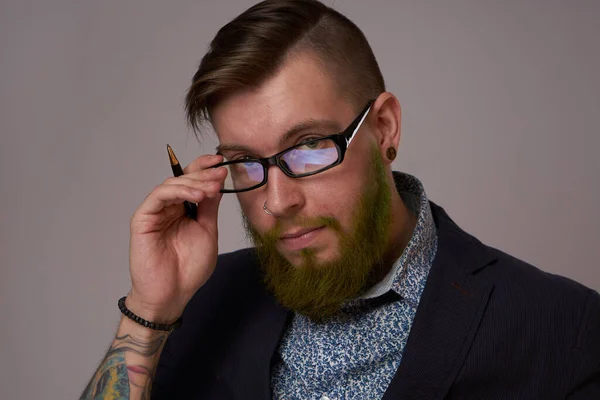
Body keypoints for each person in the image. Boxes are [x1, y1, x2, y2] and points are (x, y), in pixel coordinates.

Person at [81, 0, 600, 399]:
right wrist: (150, 308)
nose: (277, 201)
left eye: (308, 147)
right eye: (245, 161)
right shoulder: (200, 302)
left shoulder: (563, 327)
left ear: (384, 128)